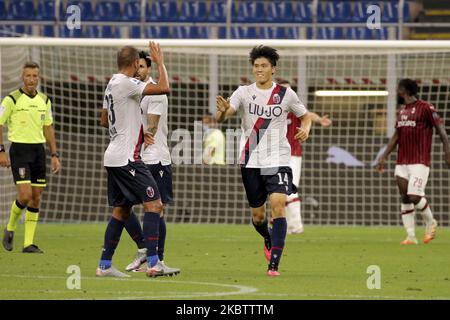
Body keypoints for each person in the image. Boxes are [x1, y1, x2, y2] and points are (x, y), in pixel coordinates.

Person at [216, 45, 312, 276]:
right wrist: (223, 111)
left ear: (273, 69)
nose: (259, 70)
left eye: (264, 66)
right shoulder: (242, 92)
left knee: (279, 205)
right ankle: (267, 238)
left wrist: (306, 128)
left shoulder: (285, 94)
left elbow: (305, 115)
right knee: (258, 217)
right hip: (250, 159)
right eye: (256, 66)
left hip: (278, 157)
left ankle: (274, 265)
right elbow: (226, 114)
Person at [96, 41, 176, 278]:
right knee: (154, 204)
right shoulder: (126, 83)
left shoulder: (111, 84)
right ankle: (153, 263)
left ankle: (105, 265)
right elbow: (164, 87)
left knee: (121, 211)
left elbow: (103, 120)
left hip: (113, 156)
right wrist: (160, 62)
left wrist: (127, 124)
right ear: (133, 64)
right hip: (127, 159)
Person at [118, 51, 180, 275]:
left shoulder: (156, 93)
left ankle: (158, 258)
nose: (139, 70)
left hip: (155, 158)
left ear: (149, 69)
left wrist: (140, 133)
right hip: (133, 158)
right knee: (123, 207)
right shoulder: (130, 91)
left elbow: (152, 127)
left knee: (156, 209)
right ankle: (145, 248)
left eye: (143, 67)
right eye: (137, 67)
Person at [376, 79, 450, 245]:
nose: (396, 91)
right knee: (405, 197)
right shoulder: (402, 111)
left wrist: (447, 152)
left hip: (420, 161)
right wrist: (384, 157)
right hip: (402, 161)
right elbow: (395, 137)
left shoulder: (426, 107)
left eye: (398, 88)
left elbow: (442, 132)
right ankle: (410, 236)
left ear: (405, 90)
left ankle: (431, 222)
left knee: (414, 196)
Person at [1, 61, 60, 254]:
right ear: (22, 77)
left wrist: (54, 154)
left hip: (38, 151)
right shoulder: (12, 99)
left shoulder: (44, 100)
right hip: (19, 150)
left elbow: (48, 128)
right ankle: (10, 227)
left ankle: (28, 244)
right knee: (25, 195)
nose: (31, 79)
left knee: (36, 198)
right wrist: (1, 151)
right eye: (28, 76)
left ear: (39, 78)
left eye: (35, 76)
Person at [278, 80, 332, 234]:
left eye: (289, 90)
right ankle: (287, 225)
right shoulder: (273, 109)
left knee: (290, 190)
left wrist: (320, 119)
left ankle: (296, 226)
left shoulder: (295, 107)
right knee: (280, 191)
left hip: (293, 154)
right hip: (276, 155)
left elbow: (308, 115)